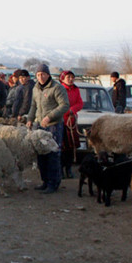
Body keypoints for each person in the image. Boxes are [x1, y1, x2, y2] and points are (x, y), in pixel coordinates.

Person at [26, 64, 69, 194]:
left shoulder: (57, 88)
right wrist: (29, 119)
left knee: (53, 154)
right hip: (40, 125)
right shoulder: (36, 88)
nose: (40, 77)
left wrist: (50, 116)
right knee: (41, 155)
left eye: (43, 74)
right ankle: (45, 181)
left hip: (53, 125)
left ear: (48, 74)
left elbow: (64, 105)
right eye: (38, 74)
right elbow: (33, 105)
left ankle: (53, 183)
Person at [59, 70, 83, 178]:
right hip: (61, 121)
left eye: (72, 77)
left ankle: (68, 169)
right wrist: (68, 111)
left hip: (71, 122)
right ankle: (60, 169)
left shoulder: (76, 89)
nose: (70, 79)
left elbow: (80, 103)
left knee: (70, 147)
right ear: (63, 79)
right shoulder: (59, 89)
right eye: (68, 77)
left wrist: (73, 109)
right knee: (61, 147)